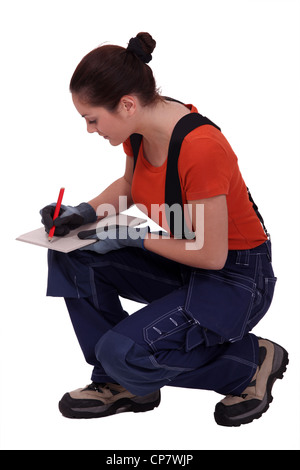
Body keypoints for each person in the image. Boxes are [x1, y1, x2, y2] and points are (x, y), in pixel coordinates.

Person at [41, 32, 288, 427]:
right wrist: (83, 214)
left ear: (126, 105)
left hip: (237, 278)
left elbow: (211, 254)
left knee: (123, 351)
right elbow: (129, 186)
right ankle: (120, 383)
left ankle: (248, 362)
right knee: (72, 251)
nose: (90, 129)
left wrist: (135, 236)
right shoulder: (138, 130)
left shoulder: (201, 148)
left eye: (92, 119)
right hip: (183, 259)